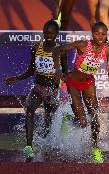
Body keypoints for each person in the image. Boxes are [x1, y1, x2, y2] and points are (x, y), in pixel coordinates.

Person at [52, 21, 109, 163]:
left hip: (88, 83)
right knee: (82, 122)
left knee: (94, 117)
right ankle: (72, 119)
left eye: (103, 34)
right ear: (92, 34)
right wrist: (58, 70)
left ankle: (95, 147)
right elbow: (57, 50)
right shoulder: (82, 45)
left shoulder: (108, 50)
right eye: (97, 33)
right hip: (73, 84)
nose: (100, 37)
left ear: (106, 35)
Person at [4, 20, 68, 159]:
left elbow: (66, 72)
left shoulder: (61, 50)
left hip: (51, 90)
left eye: (51, 33)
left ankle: (47, 144)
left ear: (57, 34)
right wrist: (15, 78)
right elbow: (30, 71)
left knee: (48, 119)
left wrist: (63, 79)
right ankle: (29, 146)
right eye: (46, 32)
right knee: (30, 111)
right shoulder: (36, 48)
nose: (48, 35)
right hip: (38, 87)